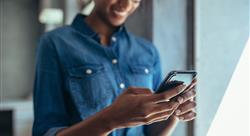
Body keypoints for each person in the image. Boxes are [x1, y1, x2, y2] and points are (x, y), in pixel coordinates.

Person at [32, 0, 197, 136]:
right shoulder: (55, 43)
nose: (126, 5)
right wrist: (111, 119)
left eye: (135, 0)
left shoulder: (147, 51)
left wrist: (172, 112)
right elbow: (45, 132)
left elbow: (150, 131)